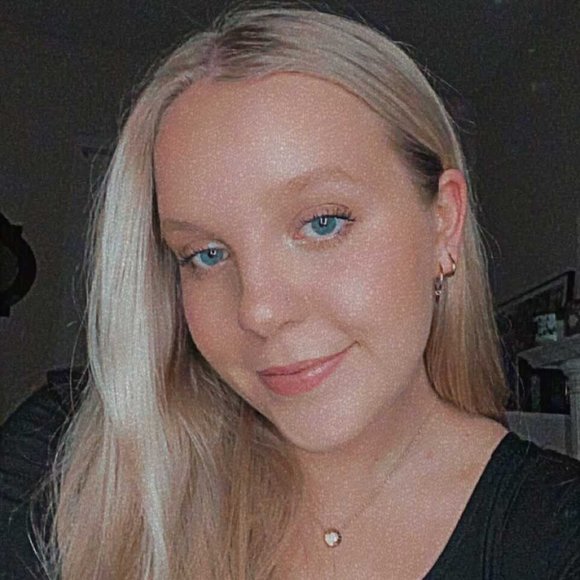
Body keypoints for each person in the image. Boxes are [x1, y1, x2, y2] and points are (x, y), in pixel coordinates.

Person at [1, 1, 579, 579]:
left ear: (442, 223)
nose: (260, 311)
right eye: (206, 254)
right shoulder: (63, 464)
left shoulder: (556, 538)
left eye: (323, 222)